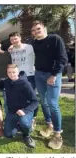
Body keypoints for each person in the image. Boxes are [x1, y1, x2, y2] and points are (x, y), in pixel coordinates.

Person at [31, 20, 68, 149]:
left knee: (52, 103)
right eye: (34, 31)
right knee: (43, 101)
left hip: (52, 75)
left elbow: (62, 58)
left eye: (38, 29)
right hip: (39, 74)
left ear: (44, 28)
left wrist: (54, 75)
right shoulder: (34, 43)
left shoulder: (55, 39)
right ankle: (49, 126)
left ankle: (57, 135)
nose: (36, 32)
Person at [3, 64, 38, 148]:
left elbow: (35, 101)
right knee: (8, 134)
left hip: (25, 110)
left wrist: (25, 111)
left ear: (18, 72)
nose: (12, 74)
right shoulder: (6, 82)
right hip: (13, 111)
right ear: (7, 73)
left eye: (14, 72)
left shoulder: (25, 83)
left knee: (24, 123)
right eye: (9, 72)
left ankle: (27, 135)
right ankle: (19, 125)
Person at [8, 32, 38, 130]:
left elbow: (37, 57)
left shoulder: (29, 47)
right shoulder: (11, 50)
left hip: (29, 76)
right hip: (17, 77)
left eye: (15, 39)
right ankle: (19, 117)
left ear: (20, 38)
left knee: (32, 98)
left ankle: (33, 118)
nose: (14, 41)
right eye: (12, 40)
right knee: (19, 98)